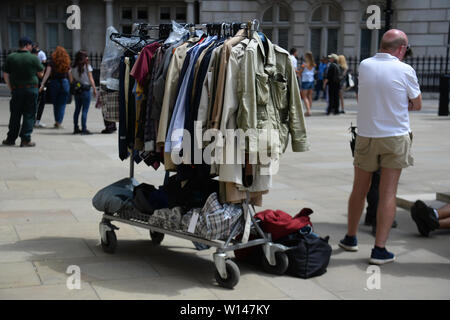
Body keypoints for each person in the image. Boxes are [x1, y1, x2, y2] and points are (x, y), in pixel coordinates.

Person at [338, 29, 422, 265]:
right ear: (402, 48)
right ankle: (379, 249)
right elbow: (417, 104)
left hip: (366, 135)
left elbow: (363, 96)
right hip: (395, 136)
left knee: (359, 189)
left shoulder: (365, 65)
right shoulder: (405, 70)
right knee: (388, 193)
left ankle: (350, 237)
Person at [2, 37, 44, 147]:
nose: (32, 47)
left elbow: (6, 74)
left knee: (15, 115)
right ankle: (25, 139)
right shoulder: (33, 58)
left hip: (17, 89)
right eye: (31, 45)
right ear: (27, 45)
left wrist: (11, 87)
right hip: (31, 89)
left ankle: (11, 138)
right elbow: (41, 74)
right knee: (29, 114)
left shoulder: (11, 57)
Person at [39, 46, 73, 129]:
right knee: (62, 104)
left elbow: (47, 74)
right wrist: (72, 83)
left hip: (54, 82)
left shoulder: (52, 62)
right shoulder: (66, 62)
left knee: (56, 103)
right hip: (64, 82)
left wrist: (42, 83)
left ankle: (56, 120)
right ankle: (59, 121)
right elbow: (70, 74)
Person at [71, 51, 97, 135]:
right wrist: (94, 89)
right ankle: (84, 128)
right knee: (85, 110)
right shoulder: (87, 67)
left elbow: (72, 80)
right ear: (84, 58)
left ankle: (76, 127)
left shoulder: (73, 67)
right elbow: (91, 79)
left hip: (77, 90)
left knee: (77, 109)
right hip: (85, 90)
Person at [33, 43, 48, 128]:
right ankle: (36, 121)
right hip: (37, 84)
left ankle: (33, 120)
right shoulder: (36, 62)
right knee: (40, 102)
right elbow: (41, 75)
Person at [299, 51, 316, 116]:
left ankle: (308, 111)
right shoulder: (313, 64)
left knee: (304, 96)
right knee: (310, 96)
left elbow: (300, 72)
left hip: (305, 81)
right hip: (311, 80)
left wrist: (300, 75)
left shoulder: (304, 64)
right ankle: (309, 109)